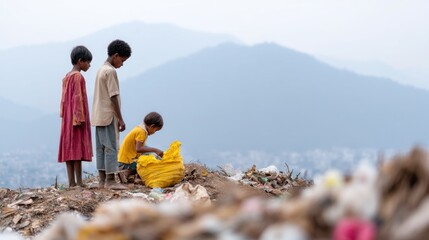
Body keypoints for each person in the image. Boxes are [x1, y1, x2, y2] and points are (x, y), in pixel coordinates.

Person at [92, 39, 131, 190]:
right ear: (115, 56)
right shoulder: (110, 71)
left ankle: (102, 180)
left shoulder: (101, 69)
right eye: (122, 60)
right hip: (108, 115)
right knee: (111, 147)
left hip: (98, 115)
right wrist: (120, 119)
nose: (122, 64)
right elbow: (113, 96)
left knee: (101, 148)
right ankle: (110, 180)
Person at [58, 45, 93, 188]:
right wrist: (79, 118)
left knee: (69, 149)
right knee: (77, 150)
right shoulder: (78, 76)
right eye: (88, 62)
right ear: (80, 61)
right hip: (76, 118)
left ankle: (71, 182)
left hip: (67, 118)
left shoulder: (67, 76)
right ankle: (79, 182)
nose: (89, 65)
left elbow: (64, 100)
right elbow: (77, 98)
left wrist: (64, 114)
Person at [118, 112, 164, 182]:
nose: (155, 132)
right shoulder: (141, 132)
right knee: (150, 163)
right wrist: (156, 150)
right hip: (125, 163)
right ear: (152, 126)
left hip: (123, 161)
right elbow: (138, 149)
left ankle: (131, 174)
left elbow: (143, 147)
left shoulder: (140, 128)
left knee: (151, 156)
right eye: (156, 130)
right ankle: (126, 172)